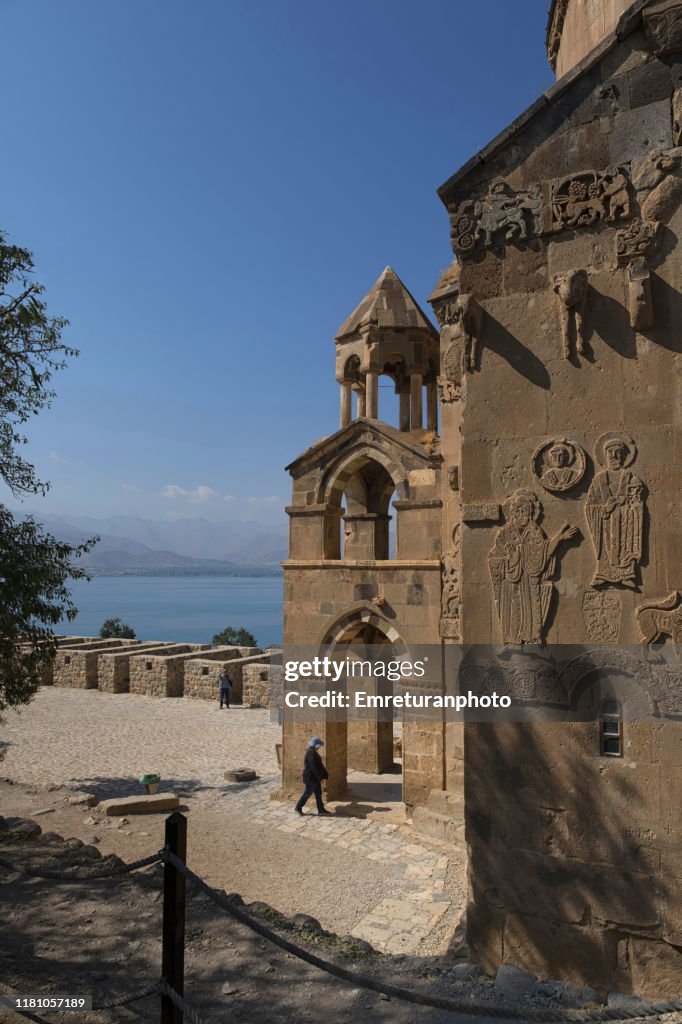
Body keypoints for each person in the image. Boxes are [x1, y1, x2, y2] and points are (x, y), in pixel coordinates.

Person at [294, 737, 332, 816]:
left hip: (315, 778)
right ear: (316, 746)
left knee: (318, 793)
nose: (319, 747)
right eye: (319, 746)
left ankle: (321, 809)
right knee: (307, 793)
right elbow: (314, 768)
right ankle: (298, 807)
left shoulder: (313, 752)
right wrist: (320, 778)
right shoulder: (311, 754)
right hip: (311, 779)